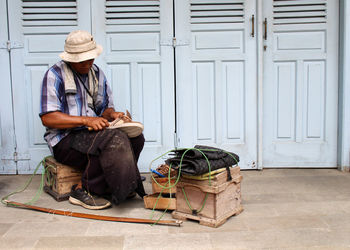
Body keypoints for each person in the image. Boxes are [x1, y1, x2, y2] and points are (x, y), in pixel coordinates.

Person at [39, 30, 146, 210]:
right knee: (113, 141)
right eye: (82, 60)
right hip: (65, 141)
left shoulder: (96, 73)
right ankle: (83, 190)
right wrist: (86, 121)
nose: (88, 63)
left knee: (136, 138)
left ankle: (119, 183)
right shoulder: (55, 75)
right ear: (70, 58)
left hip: (92, 135)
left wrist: (113, 115)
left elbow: (104, 108)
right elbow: (48, 118)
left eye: (91, 58)